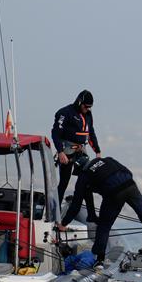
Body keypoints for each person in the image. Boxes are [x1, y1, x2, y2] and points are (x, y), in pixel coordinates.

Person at [57, 154, 142, 268]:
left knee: (104, 226)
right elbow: (127, 171)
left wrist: (63, 224)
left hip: (113, 193)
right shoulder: (107, 160)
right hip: (130, 185)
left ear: (79, 168)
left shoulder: (84, 176)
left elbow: (76, 205)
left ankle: (99, 260)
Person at [51, 90, 100, 221]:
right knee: (64, 182)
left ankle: (91, 215)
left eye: (90, 107)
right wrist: (60, 152)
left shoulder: (88, 115)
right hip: (67, 151)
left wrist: (97, 151)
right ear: (79, 102)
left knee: (87, 182)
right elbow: (56, 133)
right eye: (86, 106)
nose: (87, 109)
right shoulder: (64, 113)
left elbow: (90, 133)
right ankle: (54, 212)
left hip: (81, 152)